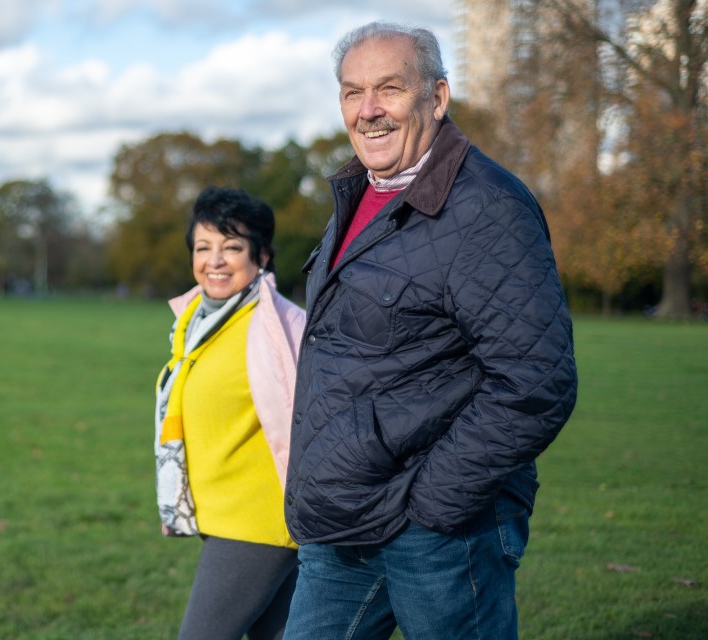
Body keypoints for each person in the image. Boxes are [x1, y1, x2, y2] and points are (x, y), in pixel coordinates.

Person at [282, 22, 578, 640]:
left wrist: (434, 505)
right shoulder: (357, 193)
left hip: (439, 532)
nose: (368, 110)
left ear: (437, 98)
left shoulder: (487, 206)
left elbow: (535, 381)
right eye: (352, 92)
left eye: (389, 88)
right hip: (344, 518)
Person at [154, 185, 306, 640]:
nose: (215, 260)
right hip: (223, 515)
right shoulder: (196, 321)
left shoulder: (282, 325)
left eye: (232, 246)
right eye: (203, 247)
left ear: (261, 256)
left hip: (257, 520)